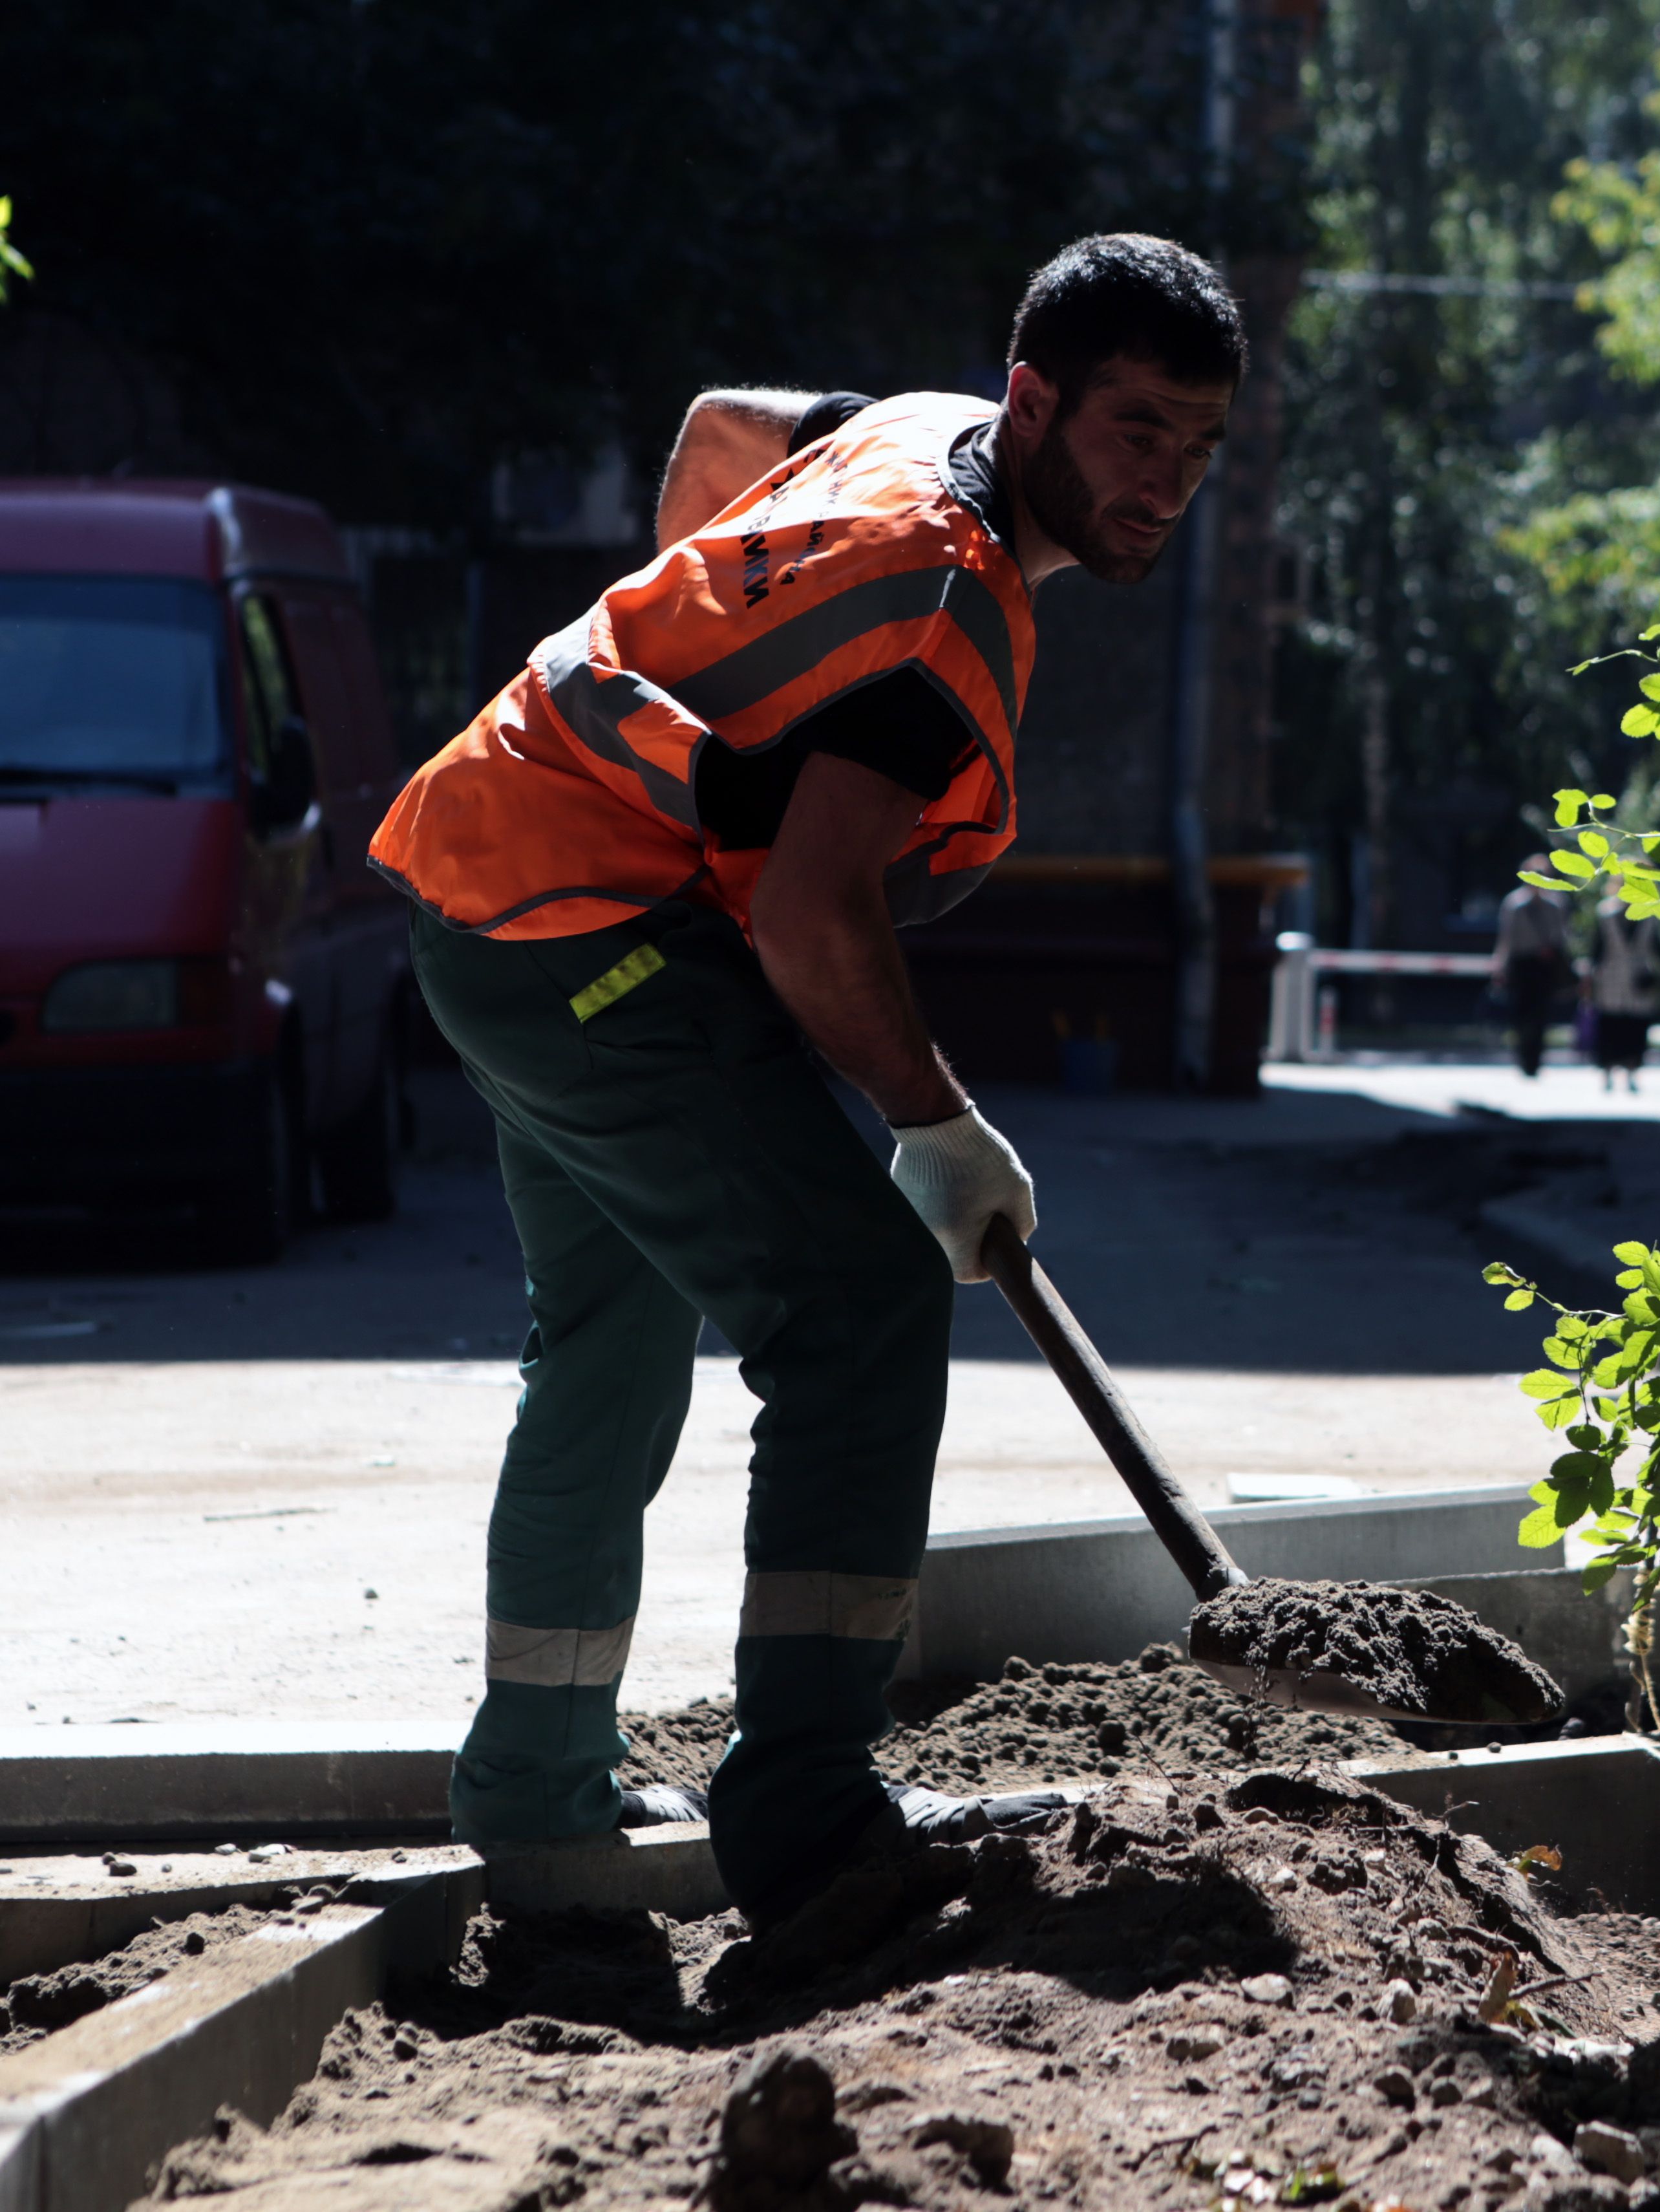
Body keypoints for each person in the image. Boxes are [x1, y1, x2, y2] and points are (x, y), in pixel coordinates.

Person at [365, 235, 1244, 1946]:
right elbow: (808, 910)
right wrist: (936, 1123)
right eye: (1138, 430)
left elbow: (713, 429)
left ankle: (538, 1789)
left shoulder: (904, 429)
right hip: (593, 941)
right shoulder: (937, 613)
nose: (1169, 483)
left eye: (1201, 445)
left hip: (494, 877)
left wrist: (697, 666)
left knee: (607, 1337)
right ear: (1034, 397)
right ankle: (811, 1814)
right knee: (853, 1305)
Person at [1582, 897, 1660, 1091]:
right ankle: (1607, 1071)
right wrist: (1589, 978)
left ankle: (1632, 1071)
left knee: (1636, 1028)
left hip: (1639, 979)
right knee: (1609, 1026)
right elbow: (1596, 949)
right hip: (1610, 978)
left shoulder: (1651, 914)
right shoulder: (1605, 913)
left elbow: (1659, 948)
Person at [1489, 873, 1571, 1077]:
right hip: (1521, 966)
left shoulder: (1555, 903)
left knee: (1541, 1015)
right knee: (1521, 1014)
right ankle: (1523, 1056)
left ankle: (1536, 1060)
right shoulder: (1514, 903)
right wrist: (1500, 965)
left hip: (1544, 967)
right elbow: (1506, 937)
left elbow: (1562, 936)